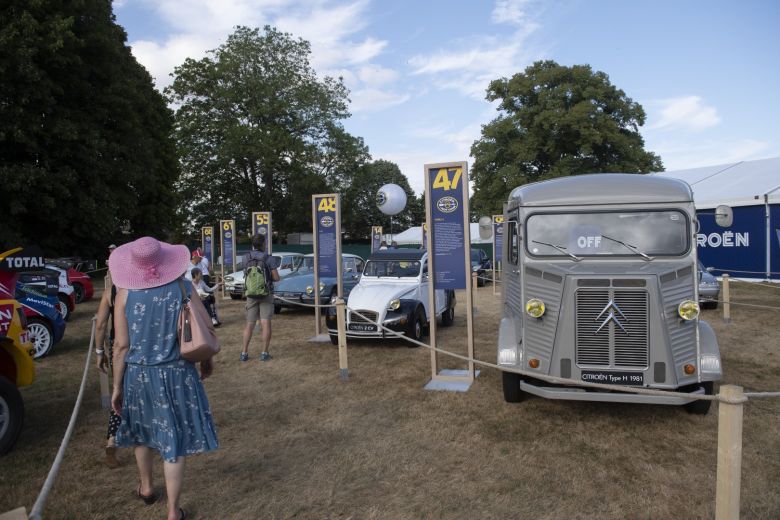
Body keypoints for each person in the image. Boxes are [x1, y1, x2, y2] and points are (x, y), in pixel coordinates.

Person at [109, 237, 218, 520]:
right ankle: (172, 511)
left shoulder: (124, 293)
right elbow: (204, 325)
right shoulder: (182, 286)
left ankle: (146, 488)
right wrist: (207, 359)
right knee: (174, 442)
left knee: (141, 434)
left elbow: (121, 345)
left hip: (138, 376)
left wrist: (117, 386)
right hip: (177, 374)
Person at [95, 245, 121, 468]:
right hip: (141, 347)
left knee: (118, 392)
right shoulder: (139, 288)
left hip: (116, 346)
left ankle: (112, 438)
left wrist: (99, 353)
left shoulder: (110, 292)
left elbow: (101, 324)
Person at [240, 234, 279, 362]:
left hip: (250, 294)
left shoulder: (245, 257)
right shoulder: (269, 258)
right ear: (263, 244)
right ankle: (264, 353)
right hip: (266, 294)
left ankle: (244, 353)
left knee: (249, 324)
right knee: (265, 323)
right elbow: (276, 277)